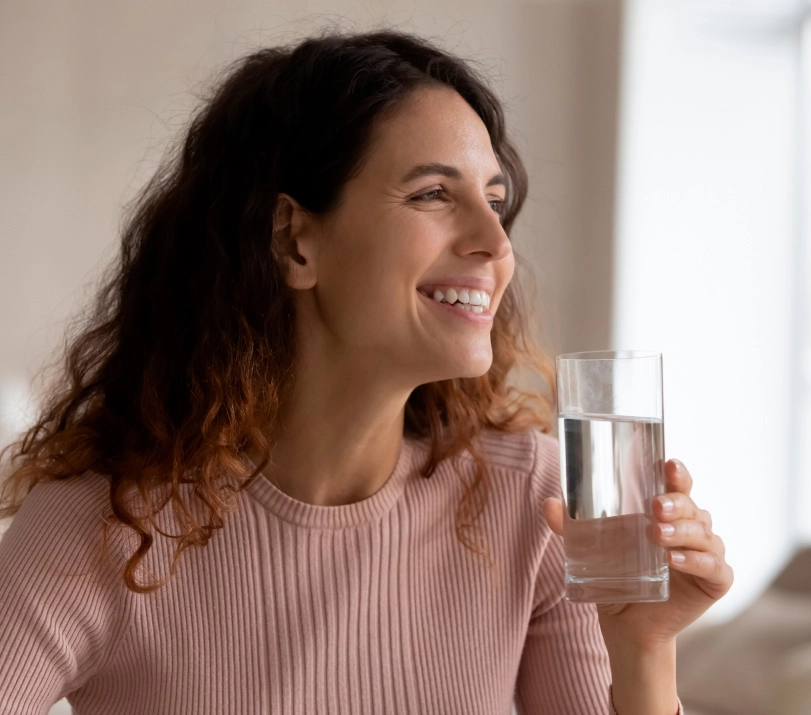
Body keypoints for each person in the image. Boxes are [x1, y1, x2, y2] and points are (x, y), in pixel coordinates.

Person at [0, 29, 732, 715]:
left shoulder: (530, 505)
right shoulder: (103, 523)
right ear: (294, 242)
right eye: (434, 194)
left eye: (496, 201)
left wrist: (643, 649)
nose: (493, 242)